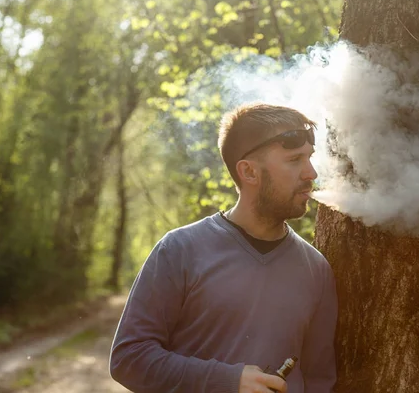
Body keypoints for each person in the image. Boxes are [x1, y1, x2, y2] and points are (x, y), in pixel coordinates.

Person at [109, 103, 338, 393]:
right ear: (249, 172)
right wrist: (228, 381)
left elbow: (320, 380)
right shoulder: (179, 250)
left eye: (309, 158)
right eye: (294, 160)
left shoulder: (316, 269)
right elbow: (129, 359)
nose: (311, 173)